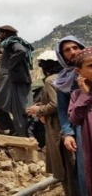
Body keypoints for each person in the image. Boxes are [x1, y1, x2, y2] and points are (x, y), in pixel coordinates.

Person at [26, 50, 78, 194]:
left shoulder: (51, 80)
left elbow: (55, 104)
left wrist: (39, 110)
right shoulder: (66, 78)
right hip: (67, 126)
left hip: (57, 128)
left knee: (65, 168)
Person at [54, 35, 87, 195]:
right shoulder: (62, 80)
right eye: (67, 50)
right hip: (81, 127)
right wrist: (68, 133)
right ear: (62, 55)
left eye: (75, 47)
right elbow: (62, 109)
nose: (73, 52)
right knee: (85, 167)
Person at [0, 25, 33, 137]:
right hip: (13, 81)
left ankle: (23, 137)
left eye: (0, 33)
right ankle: (13, 130)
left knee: (19, 111)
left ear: (5, 33)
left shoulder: (12, 42)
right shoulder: (10, 43)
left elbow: (21, 51)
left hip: (14, 82)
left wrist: (10, 65)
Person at [69, 47, 92, 196]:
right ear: (79, 72)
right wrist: (85, 94)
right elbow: (75, 119)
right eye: (90, 66)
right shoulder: (77, 95)